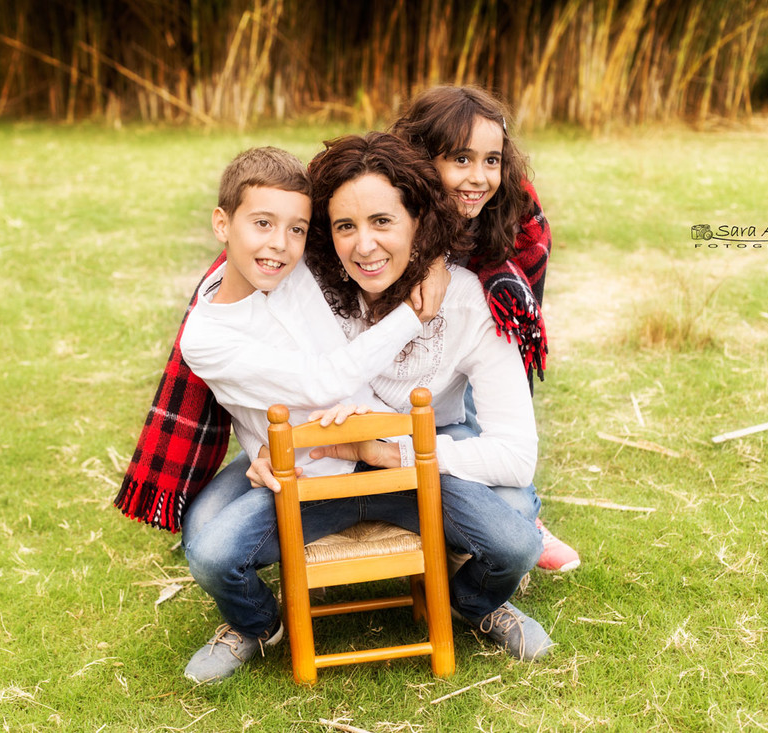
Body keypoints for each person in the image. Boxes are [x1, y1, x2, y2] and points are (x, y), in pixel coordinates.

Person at [182, 134, 553, 684]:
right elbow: (283, 385)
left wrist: (378, 448)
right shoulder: (300, 275)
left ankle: (473, 604)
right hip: (309, 472)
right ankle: (257, 623)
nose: (363, 245)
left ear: (418, 224)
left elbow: (513, 455)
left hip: (400, 464)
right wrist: (258, 448)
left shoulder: (461, 297)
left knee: (516, 539)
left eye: (383, 222)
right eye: (343, 228)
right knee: (207, 548)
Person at [391, 85, 580, 573]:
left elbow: (510, 358)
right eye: (460, 158)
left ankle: (523, 515)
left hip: (467, 355)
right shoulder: (382, 198)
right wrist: (427, 251)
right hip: (384, 380)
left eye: (491, 160)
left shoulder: (517, 216)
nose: (479, 178)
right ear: (419, 160)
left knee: (494, 405)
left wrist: (444, 263)